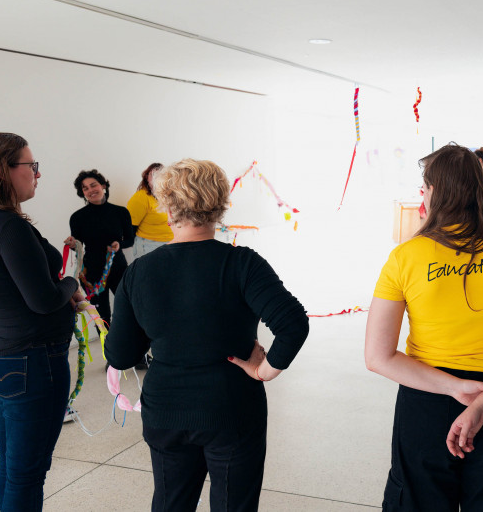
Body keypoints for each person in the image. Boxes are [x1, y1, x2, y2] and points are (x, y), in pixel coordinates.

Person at [104, 158, 309, 512]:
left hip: (166, 409)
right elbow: (293, 323)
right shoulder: (243, 263)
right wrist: (265, 369)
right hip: (230, 407)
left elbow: (121, 356)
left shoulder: (139, 272)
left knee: (171, 502)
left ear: (167, 209)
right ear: (220, 208)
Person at [366, 143, 483, 511]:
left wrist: (455, 389)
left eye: (425, 185)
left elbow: (378, 356)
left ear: (435, 192)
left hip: (426, 400)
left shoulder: (404, 258)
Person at [0, 133, 84, 511]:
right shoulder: (6, 226)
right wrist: (71, 281)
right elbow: (45, 300)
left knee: (14, 465)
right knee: (26, 474)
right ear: (1, 170)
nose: (37, 175)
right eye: (31, 166)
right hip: (28, 364)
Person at [65, 169, 134, 326]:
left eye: (93, 185)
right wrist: (73, 244)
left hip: (118, 269)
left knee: (131, 310)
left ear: (103, 185)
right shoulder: (77, 218)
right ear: (82, 193)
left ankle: (137, 350)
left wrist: (119, 245)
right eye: (85, 188)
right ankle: (107, 350)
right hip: (92, 274)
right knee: (102, 319)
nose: (90, 190)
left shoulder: (121, 212)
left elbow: (130, 240)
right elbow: (78, 246)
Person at [126, 163, 172, 259]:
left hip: (170, 243)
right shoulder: (140, 197)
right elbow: (131, 226)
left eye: (160, 175)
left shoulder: (169, 196)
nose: (156, 178)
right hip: (148, 245)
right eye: (153, 175)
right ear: (147, 177)